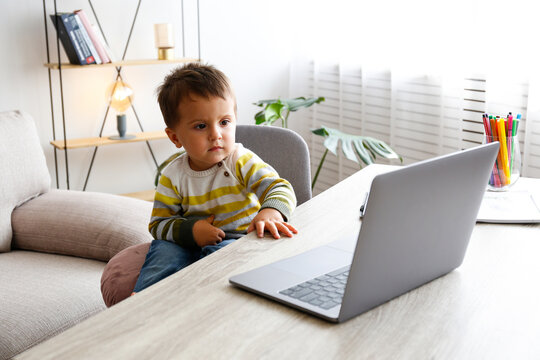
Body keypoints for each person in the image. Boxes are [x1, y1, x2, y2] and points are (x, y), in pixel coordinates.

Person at [132, 63, 298, 293]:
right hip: (187, 242)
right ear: (174, 137)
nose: (216, 134)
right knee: (163, 252)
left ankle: (201, 299)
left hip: (239, 239)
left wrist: (270, 211)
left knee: (220, 258)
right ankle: (143, 302)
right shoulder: (172, 175)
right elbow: (159, 225)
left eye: (224, 122)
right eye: (201, 126)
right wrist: (191, 231)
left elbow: (280, 188)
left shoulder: (240, 160)